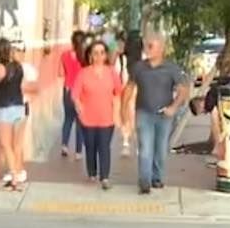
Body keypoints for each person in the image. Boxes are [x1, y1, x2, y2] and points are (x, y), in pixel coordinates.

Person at [123, 31, 190, 195]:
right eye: (146, 46)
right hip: (143, 113)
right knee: (145, 147)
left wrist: (173, 107)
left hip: (163, 116)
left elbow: (183, 90)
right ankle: (144, 181)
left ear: (161, 48)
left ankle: (157, 178)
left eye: (151, 46)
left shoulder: (171, 68)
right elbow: (129, 88)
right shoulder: (139, 67)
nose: (147, 49)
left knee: (160, 149)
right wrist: (123, 110)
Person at [72, 35, 121, 190]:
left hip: (107, 118)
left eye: (102, 53)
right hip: (88, 118)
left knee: (104, 147)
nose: (99, 56)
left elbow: (118, 92)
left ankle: (105, 177)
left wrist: (118, 112)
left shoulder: (111, 72)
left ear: (106, 55)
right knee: (90, 147)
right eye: (95, 53)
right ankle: (92, 173)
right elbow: (74, 93)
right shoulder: (84, 73)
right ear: (90, 56)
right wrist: (78, 104)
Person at [0, 37, 29, 189]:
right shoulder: (18, 67)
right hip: (19, 108)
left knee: (5, 145)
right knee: (2, 145)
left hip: (3, 109)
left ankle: (14, 177)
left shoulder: (0, 68)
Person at [60, 30, 85, 158]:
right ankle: (78, 152)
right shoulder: (85, 57)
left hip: (68, 89)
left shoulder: (65, 55)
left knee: (68, 119)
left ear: (72, 42)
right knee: (80, 121)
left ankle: (64, 145)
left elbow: (60, 73)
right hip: (81, 92)